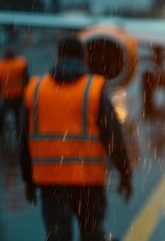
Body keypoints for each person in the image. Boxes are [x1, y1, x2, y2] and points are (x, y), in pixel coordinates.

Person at [20, 36, 133, 241]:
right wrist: (125, 174)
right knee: (92, 234)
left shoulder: (35, 90)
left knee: (58, 236)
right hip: (87, 181)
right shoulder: (94, 89)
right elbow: (113, 138)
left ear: (56, 56)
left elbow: (24, 141)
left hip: (50, 182)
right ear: (84, 58)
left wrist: (28, 180)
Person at [0, 47, 28, 140]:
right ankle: (19, 135)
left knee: (1, 115)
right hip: (19, 96)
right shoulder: (21, 64)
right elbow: (26, 80)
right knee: (18, 116)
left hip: (6, 96)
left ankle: (0, 134)